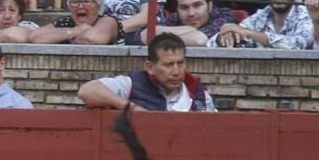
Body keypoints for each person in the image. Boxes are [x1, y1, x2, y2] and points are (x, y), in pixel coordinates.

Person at [78, 33, 217, 111]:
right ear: (150, 67)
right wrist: (132, 109)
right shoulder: (131, 85)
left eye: (180, 63)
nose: (176, 71)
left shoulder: (199, 94)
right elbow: (87, 91)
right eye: (168, 65)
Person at [30, 0, 119, 44]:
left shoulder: (107, 20)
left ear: (98, 5)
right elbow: (35, 37)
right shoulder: (67, 22)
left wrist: (59, 35)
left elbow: (93, 38)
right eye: (75, 1)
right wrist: (75, 31)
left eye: (86, 1)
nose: (80, 6)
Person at [148, 0, 234, 45]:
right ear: (177, 8)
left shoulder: (224, 16)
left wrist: (160, 37)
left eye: (197, 5)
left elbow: (199, 40)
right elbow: (143, 35)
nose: (191, 13)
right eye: (184, 7)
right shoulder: (175, 17)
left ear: (210, 5)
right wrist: (188, 31)